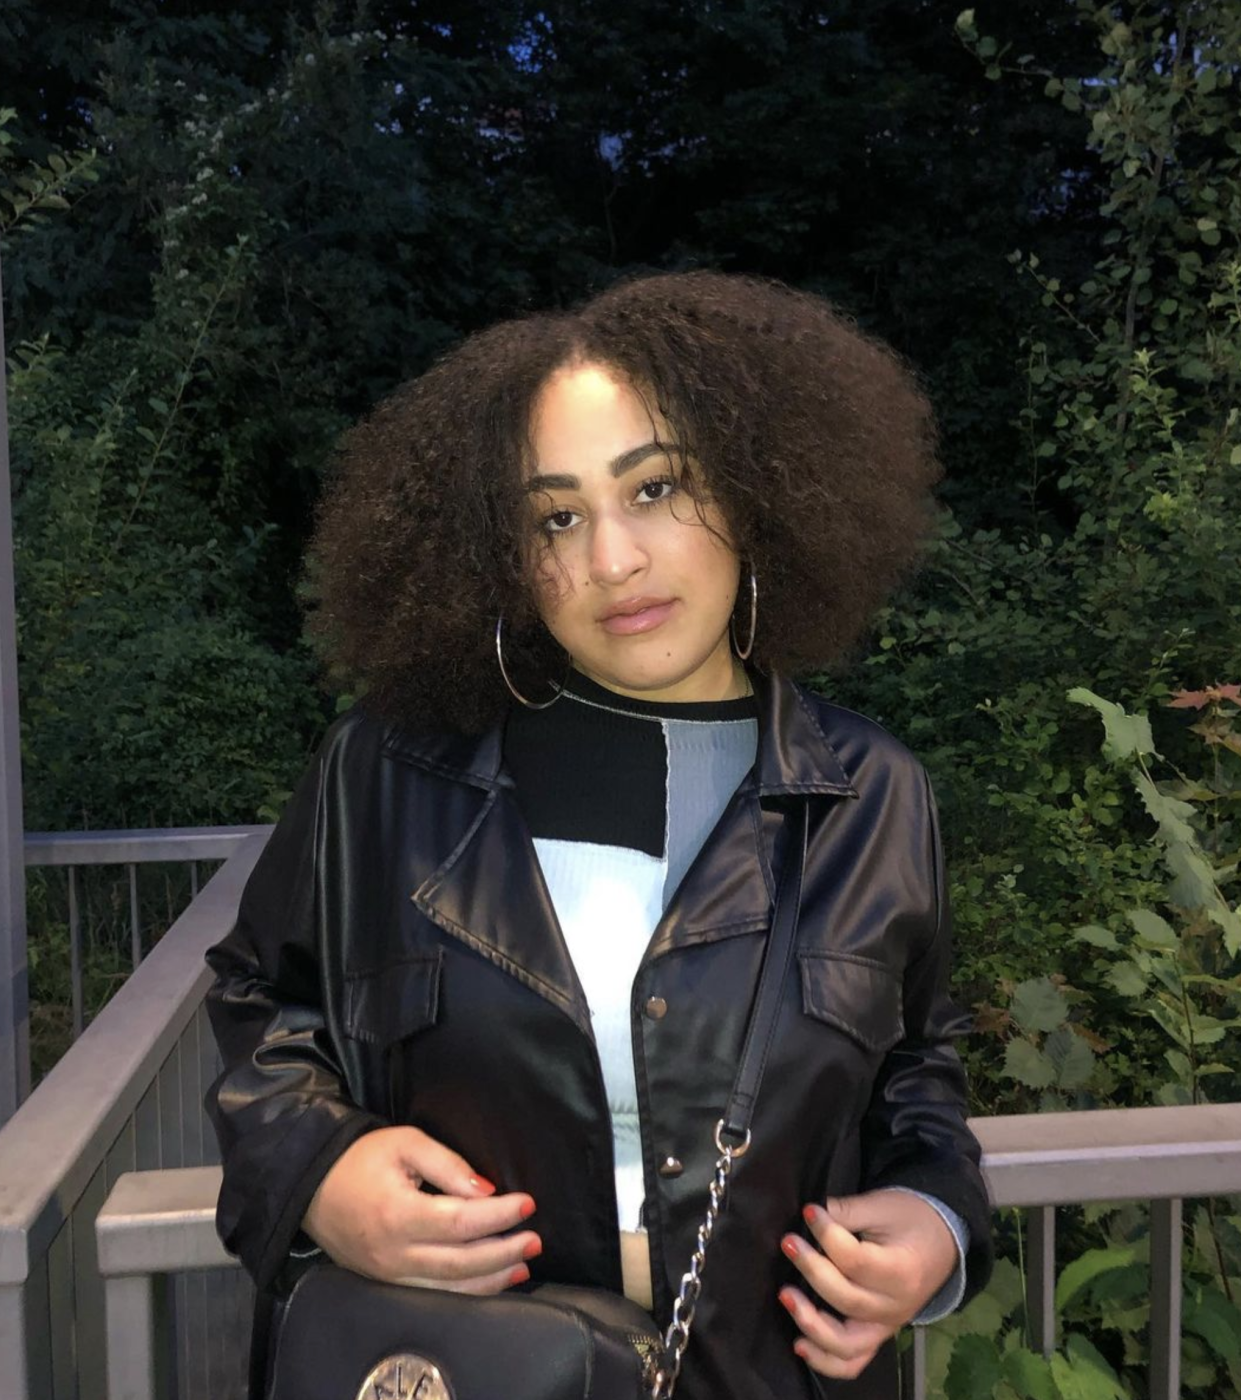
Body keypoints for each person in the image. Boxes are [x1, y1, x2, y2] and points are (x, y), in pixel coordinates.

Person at [204, 269, 993, 1400]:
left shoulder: (871, 794)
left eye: (655, 487)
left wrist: (935, 1218)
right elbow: (260, 1006)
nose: (610, 561)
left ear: (758, 491)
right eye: (556, 517)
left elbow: (918, 1068)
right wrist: (320, 1170)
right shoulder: (385, 773)